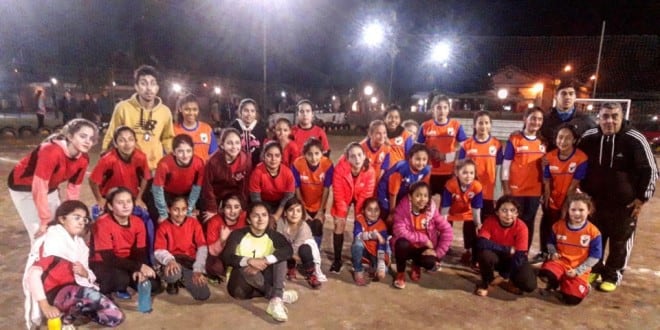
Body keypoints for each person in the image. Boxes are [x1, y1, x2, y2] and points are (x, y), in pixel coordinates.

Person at [578, 102, 658, 292]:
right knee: (595, 238)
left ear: (622, 118)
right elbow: (578, 162)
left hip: (625, 205)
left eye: (614, 116)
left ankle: (613, 274)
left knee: (619, 241)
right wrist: (583, 193)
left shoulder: (635, 139)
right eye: (605, 116)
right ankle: (595, 269)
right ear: (599, 118)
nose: (610, 121)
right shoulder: (589, 137)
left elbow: (650, 170)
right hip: (595, 203)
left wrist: (642, 198)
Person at [23, 200, 124, 329]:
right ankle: (65, 320)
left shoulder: (79, 244)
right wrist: (45, 306)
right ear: (62, 219)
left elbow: (87, 275)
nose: (82, 222)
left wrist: (84, 272)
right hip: (54, 294)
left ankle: (73, 312)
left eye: (84, 219)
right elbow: (33, 275)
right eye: (77, 217)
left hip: (74, 290)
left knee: (114, 318)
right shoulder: (52, 242)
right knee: (90, 295)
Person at [8, 118, 98, 246]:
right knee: (40, 236)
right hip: (23, 187)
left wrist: (70, 212)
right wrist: (44, 221)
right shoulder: (50, 151)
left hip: (50, 186)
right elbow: (39, 188)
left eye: (91, 138)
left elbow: (73, 188)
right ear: (70, 136)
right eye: (83, 136)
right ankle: (38, 263)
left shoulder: (83, 159)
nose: (87, 141)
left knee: (59, 226)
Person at [222, 202, 299, 322]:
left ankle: (276, 300)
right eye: (256, 216)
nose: (260, 219)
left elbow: (288, 250)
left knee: (279, 256)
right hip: (241, 282)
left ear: (269, 218)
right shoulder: (237, 234)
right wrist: (249, 261)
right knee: (242, 280)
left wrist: (265, 260)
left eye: (264, 215)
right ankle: (278, 294)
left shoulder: (273, 235)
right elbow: (226, 257)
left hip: (262, 279)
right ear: (248, 219)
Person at [89, 187, 160, 298]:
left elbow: (140, 251)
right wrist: (138, 266)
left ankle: (127, 283)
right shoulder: (102, 223)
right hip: (103, 263)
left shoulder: (138, 222)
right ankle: (115, 285)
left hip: (126, 262)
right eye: (120, 203)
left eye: (128, 201)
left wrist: (139, 269)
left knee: (154, 283)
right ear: (110, 206)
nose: (126, 206)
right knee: (121, 280)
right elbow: (108, 258)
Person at [102, 65, 175, 171]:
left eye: (153, 83)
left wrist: (173, 157)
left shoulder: (165, 111)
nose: (149, 88)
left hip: (154, 168)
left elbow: (168, 138)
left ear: (157, 88)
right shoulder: (123, 107)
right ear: (136, 86)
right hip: (127, 166)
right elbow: (112, 133)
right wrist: (104, 153)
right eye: (143, 83)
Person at [538, 193, 602, 305]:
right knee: (546, 273)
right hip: (560, 264)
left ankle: (582, 287)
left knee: (572, 300)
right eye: (573, 210)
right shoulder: (558, 226)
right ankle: (554, 284)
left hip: (578, 268)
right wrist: (553, 252)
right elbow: (550, 243)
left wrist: (578, 271)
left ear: (589, 211)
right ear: (568, 210)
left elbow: (595, 257)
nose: (577, 213)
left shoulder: (593, 232)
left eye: (581, 210)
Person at [538, 124, 588, 262]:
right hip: (554, 199)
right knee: (549, 226)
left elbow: (574, 185)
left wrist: (566, 205)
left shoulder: (581, 158)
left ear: (574, 140)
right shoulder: (549, 156)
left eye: (567, 138)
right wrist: (546, 198)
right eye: (560, 137)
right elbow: (546, 181)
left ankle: (564, 258)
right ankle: (545, 253)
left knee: (566, 229)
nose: (563, 141)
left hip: (570, 201)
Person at [391, 182, 453, 289]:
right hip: (408, 247)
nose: (422, 199)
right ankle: (400, 273)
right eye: (418, 195)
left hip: (423, 249)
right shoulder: (403, 208)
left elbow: (447, 230)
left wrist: (437, 253)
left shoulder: (432, 211)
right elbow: (399, 231)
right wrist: (423, 238)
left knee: (430, 263)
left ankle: (417, 265)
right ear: (410, 197)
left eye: (425, 196)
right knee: (401, 244)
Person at [474, 196, 537, 297]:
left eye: (512, 210)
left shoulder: (522, 227)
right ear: (497, 212)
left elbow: (520, 255)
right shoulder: (490, 221)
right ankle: (487, 282)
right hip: (497, 257)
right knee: (484, 254)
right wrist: (506, 249)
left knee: (529, 285)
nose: (508, 214)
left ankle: (508, 281)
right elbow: (481, 242)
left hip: (513, 260)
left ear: (517, 213)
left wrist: (504, 275)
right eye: (504, 210)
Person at [501, 107, 545, 251]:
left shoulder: (543, 142)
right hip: (516, 189)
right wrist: (506, 187)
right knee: (513, 221)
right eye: (533, 118)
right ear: (525, 119)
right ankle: (509, 250)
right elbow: (506, 164)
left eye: (539, 119)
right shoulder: (515, 139)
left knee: (529, 222)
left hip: (534, 190)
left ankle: (523, 251)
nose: (536, 122)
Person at [330, 142, 376, 273]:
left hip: (361, 196)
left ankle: (362, 254)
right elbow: (338, 194)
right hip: (344, 196)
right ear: (347, 158)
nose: (357, 159)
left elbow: (366, 196)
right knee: (339, 223)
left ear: (364, 156)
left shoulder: (370, 171)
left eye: (359, 155)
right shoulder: (340, 169)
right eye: (353, 156)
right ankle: (337, 260)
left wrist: (359, 218)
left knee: (362, 223)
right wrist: (342, 215)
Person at [154, 197, 210, 300]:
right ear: (168, 209)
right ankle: (172, 282)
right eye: (176, 209)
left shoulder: (194, 223)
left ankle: (183, 277)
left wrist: (198, 269)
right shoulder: (163, 227)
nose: (180, 214)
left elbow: (202, 247)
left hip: (189, 262)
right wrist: (170, 261)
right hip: (173, 260)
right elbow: (159, 250)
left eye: (183, 209)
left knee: (203, 295)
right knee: (173, 273)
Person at [89, 126, 150, 215]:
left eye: (131, 139)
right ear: (115, 143)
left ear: (135, 142)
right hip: (110, 197)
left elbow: (146, 177)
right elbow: (92, 180)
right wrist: (100, 199)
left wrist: (139, 198)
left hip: (131, 197)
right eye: (122, 140)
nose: (127, 144)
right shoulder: (107, 160)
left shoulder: (141, 157)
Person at [417, 95, 468, 197]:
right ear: (433, 109)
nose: (442, 111)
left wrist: (446, 157)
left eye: (445, 107)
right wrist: (430, 153)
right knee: (429, 205)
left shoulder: (456, 125)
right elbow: (417, 150)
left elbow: (465, 149)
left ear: (449, 109)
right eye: (438, 107)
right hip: (429, 173)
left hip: (449, 173)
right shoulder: (425, 126)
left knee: (446, 205)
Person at [149, 134, 205, 224]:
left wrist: (189, 209)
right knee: (160, 218)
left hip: (187, 194)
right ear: (174, 152)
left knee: (195, 217)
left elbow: (196, 188)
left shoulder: (198, 163)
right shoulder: (164, 164)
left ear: (193, 151)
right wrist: (163, 213)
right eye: (180, 151)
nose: (185, 155)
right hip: (167, 193)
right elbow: (157, 189)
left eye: (188, 151)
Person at [458, 110, 503, 218]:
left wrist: (497, 193)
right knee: (470, 223)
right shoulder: (466, 145)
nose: (483, 126)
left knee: (488, 223)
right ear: (474, 125)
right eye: (480, 123)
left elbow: (499, 170)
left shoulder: (497, 144)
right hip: (471, 191)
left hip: (489, 193)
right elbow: (460, 170)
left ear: (491, 125)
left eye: (487, 123)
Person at [291, 138, 334, 247]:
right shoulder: (297, 164)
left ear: (322, 153)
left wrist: (320, 211)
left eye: (317, 153)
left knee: (317, 226)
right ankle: (302, 252)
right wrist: (303, 210)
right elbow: (297, 189)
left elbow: (326, 189)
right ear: (304, 154)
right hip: (303, 203)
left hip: (319, 205)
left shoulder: (327, 164)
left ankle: (316, 253)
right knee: (304, 228)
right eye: (309, 154)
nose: (314, 158)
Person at [377, 143, 431, 227]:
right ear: (410, 158)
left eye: (424, 159)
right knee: (386, 212)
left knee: (403, 212)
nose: (421, 163)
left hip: (402, 191)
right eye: (418, 159)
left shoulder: (426, 170)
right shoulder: (402, 168)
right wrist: (392, 212)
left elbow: (422, 189)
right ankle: (381, 232)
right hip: (386, 192)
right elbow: (393, 192)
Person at [201, 128, 251, 221]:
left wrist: (243, 206)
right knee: (209, 219)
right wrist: (212, 209)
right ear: (222, 145)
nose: (234, 147)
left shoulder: (246, 160)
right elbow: (207, 187)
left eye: (237, 143)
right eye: (230, 143)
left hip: (235, 195)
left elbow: (245, 186)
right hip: (215, 195)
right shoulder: (212, 162)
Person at [441, 159, 483, 265]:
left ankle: (468, 252)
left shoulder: (477, 186)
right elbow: (445, 206)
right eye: (464, 172)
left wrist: (478, 224)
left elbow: (476, 208)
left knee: (472, 228)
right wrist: (442, 222)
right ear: (456, 173)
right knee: (444, 228)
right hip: (451, 211)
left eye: (471, 173)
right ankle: (442, 249)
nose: (468, 176)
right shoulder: (450, 184)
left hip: (467, 211)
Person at [276, 198, 325, 289]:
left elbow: (294, 249)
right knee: (282, 245)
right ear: (285, 213)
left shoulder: (304, 227)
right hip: (290, 251)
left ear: (302, 214)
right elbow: (278, 242)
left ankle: (311, 274)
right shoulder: (281, 223)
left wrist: (288, 253)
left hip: (301, 252)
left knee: (304, 249)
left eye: (298, 211)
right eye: (291, 210)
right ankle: (291, 267)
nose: (294, 214)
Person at [540, 80, 596, 151]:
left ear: (575, 97)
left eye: (571, 94)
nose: (567, 97)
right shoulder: (545, 119)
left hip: (576, 161)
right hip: (551, 160)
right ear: (556, 96)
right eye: (564, 93)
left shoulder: (585, 120)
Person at [249, 141, 295, 221]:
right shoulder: (257, 172)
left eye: (277, 156)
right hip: (263, 202)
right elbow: (256, 199)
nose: (273, 159)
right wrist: (265, 215)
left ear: (281, 157)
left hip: (282, 204)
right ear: (264, 157)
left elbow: (288, 197)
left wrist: (277, 215)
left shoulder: (288, 173)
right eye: (269, 155)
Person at [205, 195, 248, 280]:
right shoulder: (214, 221)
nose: (232, 211)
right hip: (220, 255)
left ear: (241, 209)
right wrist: (222, 240)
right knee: (215, 267)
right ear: (222, 209)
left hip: (239, 254)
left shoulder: (246, 217)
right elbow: (212, 252)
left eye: (236, 207)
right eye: (228, 207)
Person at [351, 198, 389, 286]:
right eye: (369, 210)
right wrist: (371, 235)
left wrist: (381, 264)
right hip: (364, 250)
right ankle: (358, 270)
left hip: (375, 253)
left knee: (383, 271)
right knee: (357, 244)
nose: (373, 213)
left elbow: (382, 247)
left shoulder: (382, 226)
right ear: (363, 211)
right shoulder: (359, 219)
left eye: (376, 210)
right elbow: (357, 235)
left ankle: (369, 266)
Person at [173, 93, 218, 163]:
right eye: (187, 109)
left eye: (194, 109)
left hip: (203, 173)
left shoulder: (206, 129)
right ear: (180, 109)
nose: (191, 113)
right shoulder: (173, 130)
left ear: (198, 110)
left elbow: (214, 154)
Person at [229, 98, 268, 167]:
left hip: (256, 166)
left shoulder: (261, 129)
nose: (249, 114)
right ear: (240, 112)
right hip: (236, 166)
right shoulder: (233, 128)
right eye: (246, 111)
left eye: (252, 111)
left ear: (256, 113)